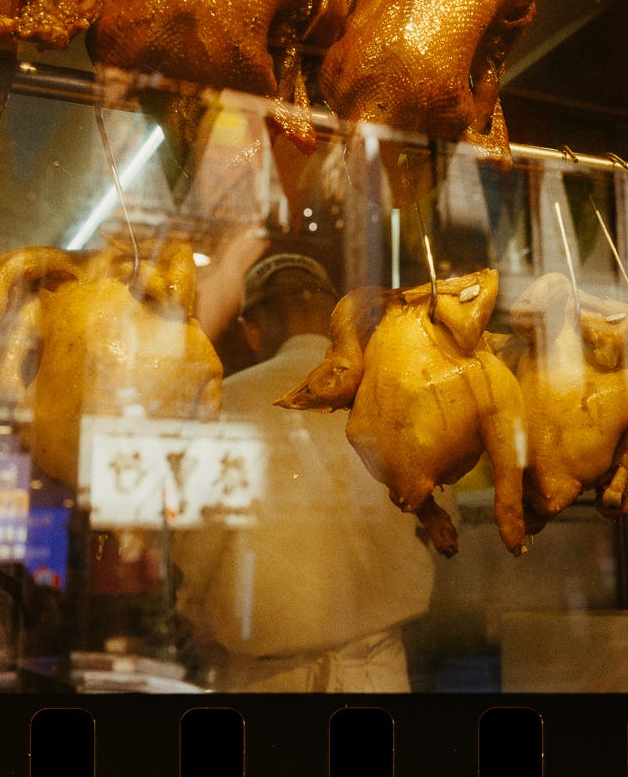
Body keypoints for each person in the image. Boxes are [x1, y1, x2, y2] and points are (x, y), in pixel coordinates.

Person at [172, 253, 436, 691]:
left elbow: (194, 550)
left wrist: (191, 614)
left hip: (267, 684)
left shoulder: (224, 405)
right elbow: (439, 523)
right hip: (377, 677)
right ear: (337, 321)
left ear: (251, 330)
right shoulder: (393, 396)